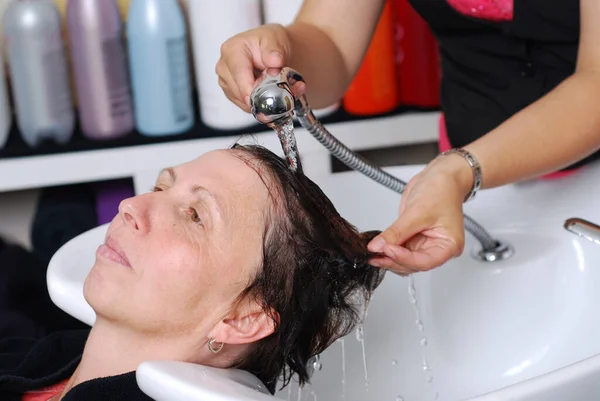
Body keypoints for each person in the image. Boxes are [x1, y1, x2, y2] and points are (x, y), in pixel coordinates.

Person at [216, 0, 600, 275]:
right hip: (466, 180)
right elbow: (330, 43)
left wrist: (458, 172)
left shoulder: (456, 174)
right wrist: (281, 48)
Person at [0, 144, 385, 401]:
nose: (131, 205)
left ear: (243, 318)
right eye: (160, 187)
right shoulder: (33, 358)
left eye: (196, 216)